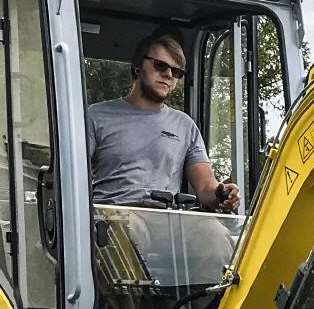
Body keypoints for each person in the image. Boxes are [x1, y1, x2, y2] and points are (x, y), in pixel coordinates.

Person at [87, 28, 241, 212]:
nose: (168, 74)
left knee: (225, 230)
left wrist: (222, 194)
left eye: (176, 72)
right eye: (160, 65)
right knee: (135, 227)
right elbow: (73, 175)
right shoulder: (97, 115)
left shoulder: (185, 125)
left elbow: (205, 187)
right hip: (113, 216)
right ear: (138, 65)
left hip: (166, 219)